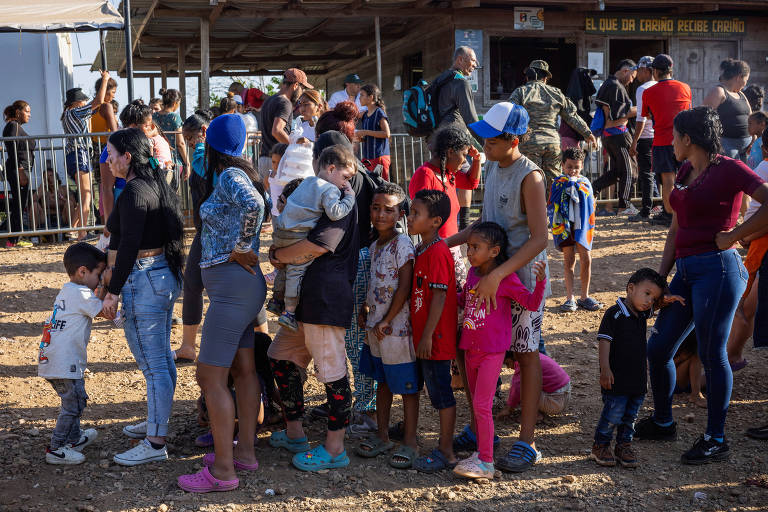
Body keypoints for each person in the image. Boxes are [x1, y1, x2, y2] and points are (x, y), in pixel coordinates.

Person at [635, 107, 768, 464]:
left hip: (719, 272)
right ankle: (663, 421)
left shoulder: (729, 168)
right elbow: (676, 227)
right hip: (687, 271)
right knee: (659, 348)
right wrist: (661, 279)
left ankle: (715, 439)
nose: (670, 142)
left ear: (688, 139)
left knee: (712, 353)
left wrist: (736, 236)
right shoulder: (683, 170)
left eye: (674, 136)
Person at [448, 101, 550, 473]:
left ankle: (527, 441)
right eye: (485, 138)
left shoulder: (531, 176)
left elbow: (539, 238)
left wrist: (498, 274)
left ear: (515, 140)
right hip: (489, 279)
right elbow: (484, 225)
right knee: (478, 348)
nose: (485, 145)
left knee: (526, 355)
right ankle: (479, 429)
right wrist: (444, 244)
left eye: (493, 140)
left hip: (521, 281)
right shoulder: (491, 166)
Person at [176, 114, 267, 492]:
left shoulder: (230, 176)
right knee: (244, 369)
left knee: (210, 377)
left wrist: (243, 246)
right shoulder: (239, 171)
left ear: (211, 144)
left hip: (231, 289)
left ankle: (223, 473)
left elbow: (255, 206)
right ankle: (244, 454)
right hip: (240, 288)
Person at [265, 133, 361, 473]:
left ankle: (335, 449)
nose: (348, 178)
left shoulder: (339, 199)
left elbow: (317, 246)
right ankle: (295, 432)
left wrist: (277, 254)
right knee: (280, 358)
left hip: (324, 297)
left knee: (332, 372)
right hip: (306, 298)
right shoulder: (317, 191)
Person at [100, 128, 184, 466]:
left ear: (127, 157)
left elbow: (128, 246)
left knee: (153, 365)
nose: (107, 160)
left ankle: (154, 442)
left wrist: (112, 292)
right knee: (161, 358)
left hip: (144, 278)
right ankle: (156, 423)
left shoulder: (134, 191)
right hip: (161, 275)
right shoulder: (156, 185)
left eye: (110, 153)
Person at [453, 222, 546, 480]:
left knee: (482, 405)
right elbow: (464, 300)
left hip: (492, 353)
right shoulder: (472, 274)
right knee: (475, 404)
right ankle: (482, 453)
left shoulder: (505, 279)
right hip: (470, 350)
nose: (469, 252)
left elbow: (530, 303)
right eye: (468, 247)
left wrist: (540, 282)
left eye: (475, 247)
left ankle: (486, 461)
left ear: (494, 251)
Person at [355, 183, 418, 468]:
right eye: (376, 208)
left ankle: (410, 442)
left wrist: (387, 319)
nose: (381, 214)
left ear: (399, 214)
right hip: (377, 327)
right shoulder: (374, 244)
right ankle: (383, 435)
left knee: (406, 385)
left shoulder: (402, 244)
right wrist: (367, 310)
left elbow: (404, 287)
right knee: (382, 381)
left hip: (396, 329)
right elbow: (377, 283)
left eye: (388, 210)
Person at [271, 145, 357, 330]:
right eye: (346, 178)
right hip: (297, 236)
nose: (346, 183)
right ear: (332, 169)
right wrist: (350, 196)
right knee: (297, 270)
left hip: (280, 232)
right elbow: (336, 212)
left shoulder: (307, 181)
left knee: (285, 267)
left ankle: (276, 298)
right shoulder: (331, 190)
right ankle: (289, 312)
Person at [591, 268, 670, 468]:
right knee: (613, 414)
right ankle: (600, 445)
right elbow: (604, 341)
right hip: (616, 378)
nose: (649, 301)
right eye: (647, 294)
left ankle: (623, 446)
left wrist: (667, 299)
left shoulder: (641, 314)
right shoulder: (614, 314)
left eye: (653, 298)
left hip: (638, 380)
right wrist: (605, 369)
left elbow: (658, 305)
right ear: (630, 288)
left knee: (630, 417)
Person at [404, 189, 458, 473]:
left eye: (416, 214)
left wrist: (426, 335)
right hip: (426, 337)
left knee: (442, 395)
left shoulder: (436, 251)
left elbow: (439, 296)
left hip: (435, 339)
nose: (410, 218)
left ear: (435, 221)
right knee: (436, 392)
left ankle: (447, 451)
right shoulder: (423, 248)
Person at [39, 242, 106, 465]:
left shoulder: (68, 290)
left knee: (73, 400)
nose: (100, 279)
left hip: (54, 361)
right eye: (99, 274)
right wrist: (110, 292)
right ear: (83, 272)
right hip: (65, 364)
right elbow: (107, 312)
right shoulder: (83, 294)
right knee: (74, 405)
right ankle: (56, 449)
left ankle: (75, 438)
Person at [409, 126, 481, 287]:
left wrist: (476, 160)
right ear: (450, 152)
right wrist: (435, 250)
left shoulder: (448, 175)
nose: (464, 160)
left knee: (457, 300)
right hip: (436, 250)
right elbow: (421, 217)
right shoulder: (425, 174)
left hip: (451, 247)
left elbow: (472, 183)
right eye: (463, 154)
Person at [509, 60, 596, 185]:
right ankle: (552, 205)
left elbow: (508, 113)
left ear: (528, 76)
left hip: (529, 143)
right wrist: (588, 133)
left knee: (530, 181)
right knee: (554, 183)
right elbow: (572, 116)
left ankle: (532, 205)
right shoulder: (556, 93)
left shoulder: (521, 92)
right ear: (545, 78)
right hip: (553, 143)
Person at [174, 110, 214, 363]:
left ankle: (259, 339)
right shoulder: (208, 155)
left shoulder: (206, 156)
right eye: (187, 141)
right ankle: (188, 346)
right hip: (205, 228)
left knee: (198, 285)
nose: (190, 145)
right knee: (193, 284)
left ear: (204, 132)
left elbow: (203, 168)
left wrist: (198, 150)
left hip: (213, 229)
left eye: (192, 139)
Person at [727, 126, 768, 370]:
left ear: (763, 149)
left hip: (760, 244)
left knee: (743, 306)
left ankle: (732, 356)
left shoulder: (763, 166)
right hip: (757, 241)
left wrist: (745, 234)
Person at [639, 54, 692, 227]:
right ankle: (685, 212)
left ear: (655, 71)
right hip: (684, 140)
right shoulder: (685, 88)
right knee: (686, 178)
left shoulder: (648, 92)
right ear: (671, 70)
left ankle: (669, 215)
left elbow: (645, 115)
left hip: (661, 140)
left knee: (668, 179)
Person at [434, 46, 482, 231]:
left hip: (437, 138)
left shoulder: (441, 79)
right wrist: (487, 143)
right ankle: (463, 223)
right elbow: (471, 119)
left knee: (443, 178)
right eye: (472, 60)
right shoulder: (460, 82)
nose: (475, 65)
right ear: (460, 60)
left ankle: (443, 220)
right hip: (456, 139)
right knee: (464, 178)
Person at [547, 147, 599, 312]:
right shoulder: (558, 183)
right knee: (569, 260)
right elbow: (552, 201)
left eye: (576, 167)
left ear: (582, 166)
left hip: (582, 226)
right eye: (569, 167)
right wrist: (567, 187)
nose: (573, 170)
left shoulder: (585, 182)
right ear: (562, 165)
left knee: (587, 259)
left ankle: (584, 296)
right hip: (565, 227)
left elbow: (590, 203)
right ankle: (570, 298)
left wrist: (576, 188)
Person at [61, 71, 111, 240]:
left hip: (74, 154)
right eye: (82, 100)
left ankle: (76, 230)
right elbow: (98, 102)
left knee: (85, 194)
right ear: (76, 103)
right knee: (87, 194)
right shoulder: (75, 112)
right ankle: (78, 231)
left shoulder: (67, 114)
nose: (85, 102)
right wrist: (104, 80)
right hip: (79, 153)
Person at [592, 59, 638, 216]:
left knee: (619, 171)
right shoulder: (615, 86)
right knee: (630, 171)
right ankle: (624, 206)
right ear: (626, 70)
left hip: (609, 135)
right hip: (618, 134)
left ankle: (593, 188)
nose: (632, 81)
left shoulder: (608, 84)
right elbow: (617, 115)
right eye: (632, 76)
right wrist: (641, 110)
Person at [258, 68, 312, 187]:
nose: (302, 92)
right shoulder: (285, 103)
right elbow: (277, 131)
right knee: (280, 202)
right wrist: (295, 149)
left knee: (268, 203)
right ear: (296, 85)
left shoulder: (269, 100)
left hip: (264, 159)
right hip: (277, 162)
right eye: (302, 88)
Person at [703, 59, 752, 163]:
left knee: (743, 178)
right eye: (746, 80)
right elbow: (703, 117)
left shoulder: (741, 94)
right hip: (727, 147)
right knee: (730, 177)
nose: (746, 83)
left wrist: (754, 137)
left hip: (746, 148)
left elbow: (751, 117)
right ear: (739, 77)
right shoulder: (719, 91)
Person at [497, 352, 571, 419]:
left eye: (507, 363)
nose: (508, 367)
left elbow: (517, 388)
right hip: (563, 395)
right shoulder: (532, 354)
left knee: (523, 387)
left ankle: (534, 415)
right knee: (520, 382)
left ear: (514, 357)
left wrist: (508, 409)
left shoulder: (523, 364)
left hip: (555, 401)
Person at [628, 56, 658, 222]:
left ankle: (646, 210)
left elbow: (642, 117)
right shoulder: (662, 86)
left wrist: (634, 141)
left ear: (646, 70)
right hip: (662, 136)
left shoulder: (643, 89)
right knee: (667, 174)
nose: (637, 74)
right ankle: (668, 209)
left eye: (638, 70)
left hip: (646, 136)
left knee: (646, 174)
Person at [2, 100, 35, 247]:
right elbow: (13, 150)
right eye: (27, 111)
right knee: (19, 205)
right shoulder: (13, 126)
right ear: (18, 112)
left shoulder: (15, 127)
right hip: (19, 169)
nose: (29, 114)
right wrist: (21, 170)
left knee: (20, 204)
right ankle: (14, 239)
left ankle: (12, 238)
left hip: (21, 168)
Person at [153, 88, 190, 181]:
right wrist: (187, 163)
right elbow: (180, 143)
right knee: (172, 193)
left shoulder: (154, 116)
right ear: (175, 103)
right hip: (173, 161)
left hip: (156, 160)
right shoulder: (175, 117)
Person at [357, 84, 391, 180]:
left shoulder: (379, 113)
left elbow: (387, 134)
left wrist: (366, 132)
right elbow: (368, 136)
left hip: (379, 156)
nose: (359, 98)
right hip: (367, 157)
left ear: (371, 97)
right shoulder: (365, 115)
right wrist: (360, 137)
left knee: (381, 188)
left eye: (362, 95)